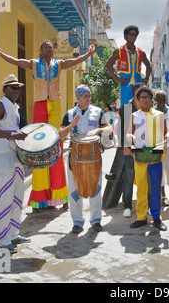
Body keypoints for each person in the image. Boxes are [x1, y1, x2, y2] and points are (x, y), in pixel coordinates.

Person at [0, 40, 98, 212]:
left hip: (55, 103)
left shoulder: (59, 64)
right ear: (40, 50)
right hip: (40, 104)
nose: (48, 49)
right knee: (39, 147)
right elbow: (16, 61)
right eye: (45, 46)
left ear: (52, 50)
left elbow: (74, 62)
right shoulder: (33, 64)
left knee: (55, 145)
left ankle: (60, 196)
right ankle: (39, 199)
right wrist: (0, 53)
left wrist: (89, 54)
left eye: (50, 47)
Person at [0, 74, 30, 254]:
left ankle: (13, 233)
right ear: (4, 89)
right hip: (1, 154)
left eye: (18, 88)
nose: (16, 91)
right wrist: (12, 134)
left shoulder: (15, 108)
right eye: (12, 88)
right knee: (5, 195)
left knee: (18, 194)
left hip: (14, 155)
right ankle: (3, 239)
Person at [58, 85, 113, 234]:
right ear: (78, 98)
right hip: (75, 156)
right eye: (85, 96)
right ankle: (77, 222)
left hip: (93, 155)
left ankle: (96, 220)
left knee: (95, 187)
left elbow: (110, 129)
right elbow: (60, 134)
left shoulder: (97, 111)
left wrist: (99, 130)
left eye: (89, 96)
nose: (88, 99)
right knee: (74, 188)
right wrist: (71, 126)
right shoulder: (69, 114)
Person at [127, 86, 169, 231]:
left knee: (156, 187)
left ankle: (157, 218)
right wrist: (130, 137)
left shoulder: (159, 115)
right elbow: (129, 133)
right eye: (142, 98)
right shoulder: (134, 116)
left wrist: (167, 138)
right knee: (141, 187)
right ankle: (141, 217)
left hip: (155, 154)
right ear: (138, 101)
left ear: (152, 99)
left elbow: (166, 132)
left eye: (147, 97)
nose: (145, 100)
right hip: (140, 154)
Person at [106, 25, 152, 107]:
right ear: (125, 36)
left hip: (138, 84)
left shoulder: (141, 52)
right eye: (131, 34)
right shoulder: (119, 50)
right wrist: (116, 78)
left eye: (135, 35)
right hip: (125, 83)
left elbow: (148, 65)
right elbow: (109, 64)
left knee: (139, 106)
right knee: (126, 107)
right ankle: (127, 120)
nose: (133, 36)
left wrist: (146, 78)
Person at [118, 82, 145, 217]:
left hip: (145, 148)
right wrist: (125, 146)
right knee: (129, 177)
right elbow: (120, 129)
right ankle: (127, 206)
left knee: (146, 179)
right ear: (134, 95)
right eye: (139, 95)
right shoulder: (127, 107)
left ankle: (146, 205)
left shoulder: (148, 105)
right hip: (130, 147)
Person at [154, 90, 169, 208]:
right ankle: (163, 196)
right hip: (157, 145)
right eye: (159, 100)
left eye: (163, 100)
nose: (161, 102)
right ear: (155, 100)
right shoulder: (152, 112)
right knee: (160, 171)